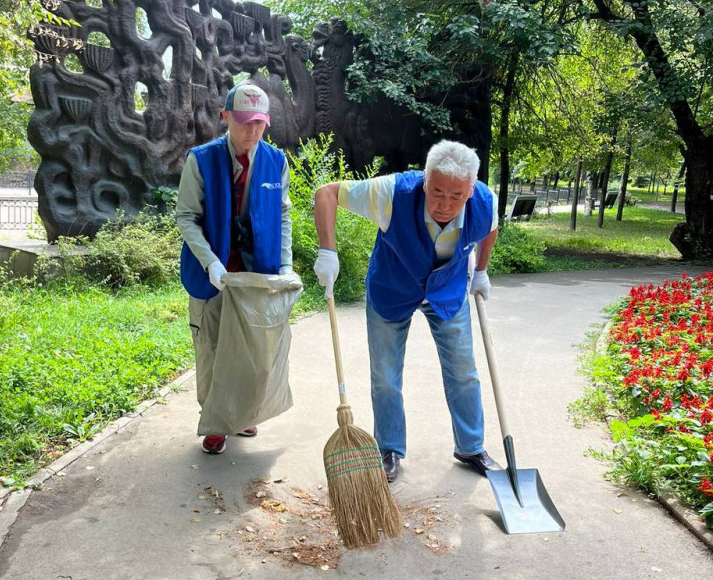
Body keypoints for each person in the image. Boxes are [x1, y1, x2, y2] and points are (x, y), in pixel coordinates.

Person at [313, 140, 500, 483]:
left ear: (471, 190)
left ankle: (471, 447)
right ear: (425, 180)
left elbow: (490, 228)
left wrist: (481, 270)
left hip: (446, 291)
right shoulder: (391, 193)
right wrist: (328, 251)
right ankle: (389, 449)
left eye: (456, 196)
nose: (445, 204)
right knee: (385, 375)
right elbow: (327, 193)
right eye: (437, 192)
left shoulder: (485, 201)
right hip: (392, 289)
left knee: (463, 371)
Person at [175, 82, 293, 455]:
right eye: (244, 122)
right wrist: (210, 261)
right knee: (210, 349)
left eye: (259, 123)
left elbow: (283, 214)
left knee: (253, 351)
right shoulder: (201, 160)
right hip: (211, 273)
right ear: (226, 117)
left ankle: (241, 415)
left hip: (257, 273)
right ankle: (215, 423)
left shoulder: (276, 161)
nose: (251, 132)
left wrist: (286, 263)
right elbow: (186, 217)